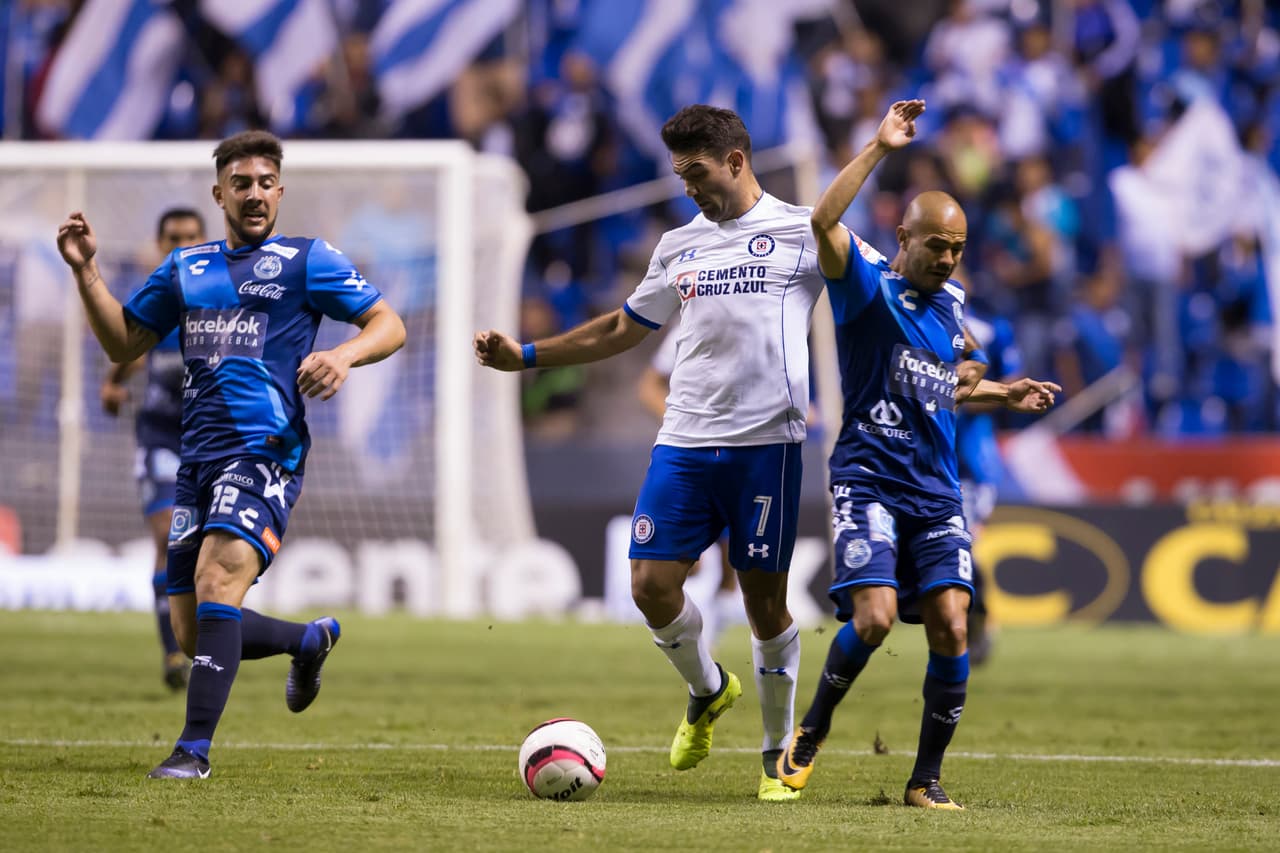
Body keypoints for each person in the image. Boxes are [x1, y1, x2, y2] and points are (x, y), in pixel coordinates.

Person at [476, 104, 825, 801]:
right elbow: (620, 327)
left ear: (735, 161)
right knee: (649, 585)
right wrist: (528, 356)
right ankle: (709, 688)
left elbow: (881, 288)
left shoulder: (802, 230)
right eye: (679, 176)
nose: (687, 188)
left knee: (764, 605)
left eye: (696, 173)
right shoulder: (678, 245)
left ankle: (775, 755)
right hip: (685, 440)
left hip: (767, 447)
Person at [56, 130, 406, 779]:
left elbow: (389, 323)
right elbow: (123, 342)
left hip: (265, 451)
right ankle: (307, 639)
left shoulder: (307, 259)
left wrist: (343, 354)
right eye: (240, 183)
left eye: (265, 183)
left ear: (280, 191)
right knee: (193, 631)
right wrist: (86, 271)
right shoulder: (187, 267)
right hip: (197, 459)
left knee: (219, 580)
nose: (254, 194)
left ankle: (192, 751)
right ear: (219, 194)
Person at [775, 100, 1060, 809]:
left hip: (935, 490)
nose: (948, 258)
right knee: (872, 619)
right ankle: (810, 730)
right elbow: (823, 221)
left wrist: (1003, 391)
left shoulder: (953, 305)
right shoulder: (865, 288)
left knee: (954, 624)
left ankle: (924, 780)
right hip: (868, 478)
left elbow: (948, 379)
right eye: (937, 245)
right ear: (904, 237)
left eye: (957, 248)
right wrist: (879, 147)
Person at [99, 208, 208, 691]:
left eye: (191, 236)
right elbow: (132, 346)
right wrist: (113, 383)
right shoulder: (158, 298)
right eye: (173, 238)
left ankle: (200, 641)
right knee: (168, 534)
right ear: (159, 245)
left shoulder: (220, 298)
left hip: (210, 440)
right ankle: (172, 653)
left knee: (204, 550)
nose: (182, 245)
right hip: (161, 436)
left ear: (205, 240)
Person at [636, 329, 739, 652]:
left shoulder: (762, 317)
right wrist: (682, 424)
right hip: (689, 455)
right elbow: (649, 386)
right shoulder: (687, 328)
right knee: (685, 564)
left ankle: (711, 635)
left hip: (740, 453)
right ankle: (693, 640)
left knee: (731, 565)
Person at [954, 304, 1024, 666]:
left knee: (962, 546)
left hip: (970, 464)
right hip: (923, 458)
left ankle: (978, 615)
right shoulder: (913, 315)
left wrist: (961, 394)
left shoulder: (989, 328)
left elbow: (1013, 384)